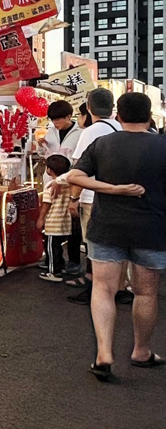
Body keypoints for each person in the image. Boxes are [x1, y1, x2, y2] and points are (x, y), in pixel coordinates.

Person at [64, 92, 165, 381]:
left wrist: (112, 189)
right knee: (146, 292)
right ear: (150, 116)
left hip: (107, 227)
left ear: (118, 115)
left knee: (103, 289)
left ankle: (104, 354)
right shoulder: (162, 145)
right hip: (152, 229)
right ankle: (141, 351)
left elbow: (74, 177)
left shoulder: (102, 143)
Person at [60, 88, 122, 303]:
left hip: (91, 197)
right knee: (114, 247)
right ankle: (117, 288)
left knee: (94, 247)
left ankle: (93, 289)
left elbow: (79, 170)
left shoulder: (91, 132)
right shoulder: (119, 127)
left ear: (88, 107)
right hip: (116, 196)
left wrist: (73, 199)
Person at [37, 155, 74, 282]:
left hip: (53, 222)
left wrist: (41, 219)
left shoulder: (50, 186)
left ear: (49, 170)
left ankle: (53, 272)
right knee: (58, 247)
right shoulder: (69, 184)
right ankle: (61, 265)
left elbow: (46, 204)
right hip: (65, 221)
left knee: (51, 248)